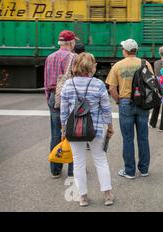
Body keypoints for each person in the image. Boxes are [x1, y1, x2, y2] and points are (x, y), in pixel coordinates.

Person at [60, 52, 114, 206]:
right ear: (91, 67)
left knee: (78, 163)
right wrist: (109, 127)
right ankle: (107, 196)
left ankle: (82, 197)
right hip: (95, 129)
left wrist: (64, 130)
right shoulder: (98, 84)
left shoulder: (68, 85)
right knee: (100, 160)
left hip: (74, 130)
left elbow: (63, 111)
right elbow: (106, 109)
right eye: (94, 64)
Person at [106, 39, 154, 179]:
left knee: (128, 138)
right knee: (143, 137)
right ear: (136, 50)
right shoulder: (145, 64)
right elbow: (152, 84)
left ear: (125, 51)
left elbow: (112, 88)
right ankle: (144, 169)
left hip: (126, 102)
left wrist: (119, 101)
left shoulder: (118, 66)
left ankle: (130, 171)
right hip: (143, 104)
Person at [44, 30, 78, 179]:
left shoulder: (49, 57)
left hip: (53, 96)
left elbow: (45, 82)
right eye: (74, 41)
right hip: (70, 98)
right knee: (71, 133)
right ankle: (72, 170)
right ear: (71, 43)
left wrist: (49, 99)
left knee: (55, 133)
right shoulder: (74, 57)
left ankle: (55, 170)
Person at [149, 46, 163, 132]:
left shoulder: (155, 63)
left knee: (156, 105)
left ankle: (152, 123)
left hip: (157, 84)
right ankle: (162, 126)